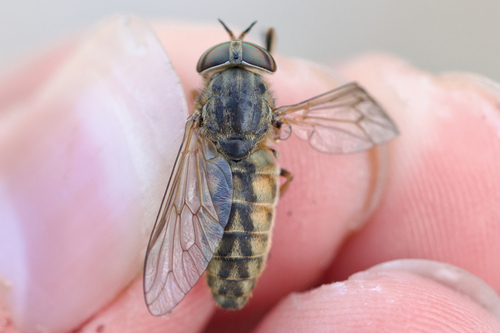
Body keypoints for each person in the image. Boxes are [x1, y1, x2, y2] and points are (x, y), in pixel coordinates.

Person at [1, 17, 500, 332]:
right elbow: (360, 117)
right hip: (261, 178)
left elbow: (182, 202)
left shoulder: (199, 113)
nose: (237, 55)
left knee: (181, 203)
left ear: (206, 79)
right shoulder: (273, 106)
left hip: (217, 179)